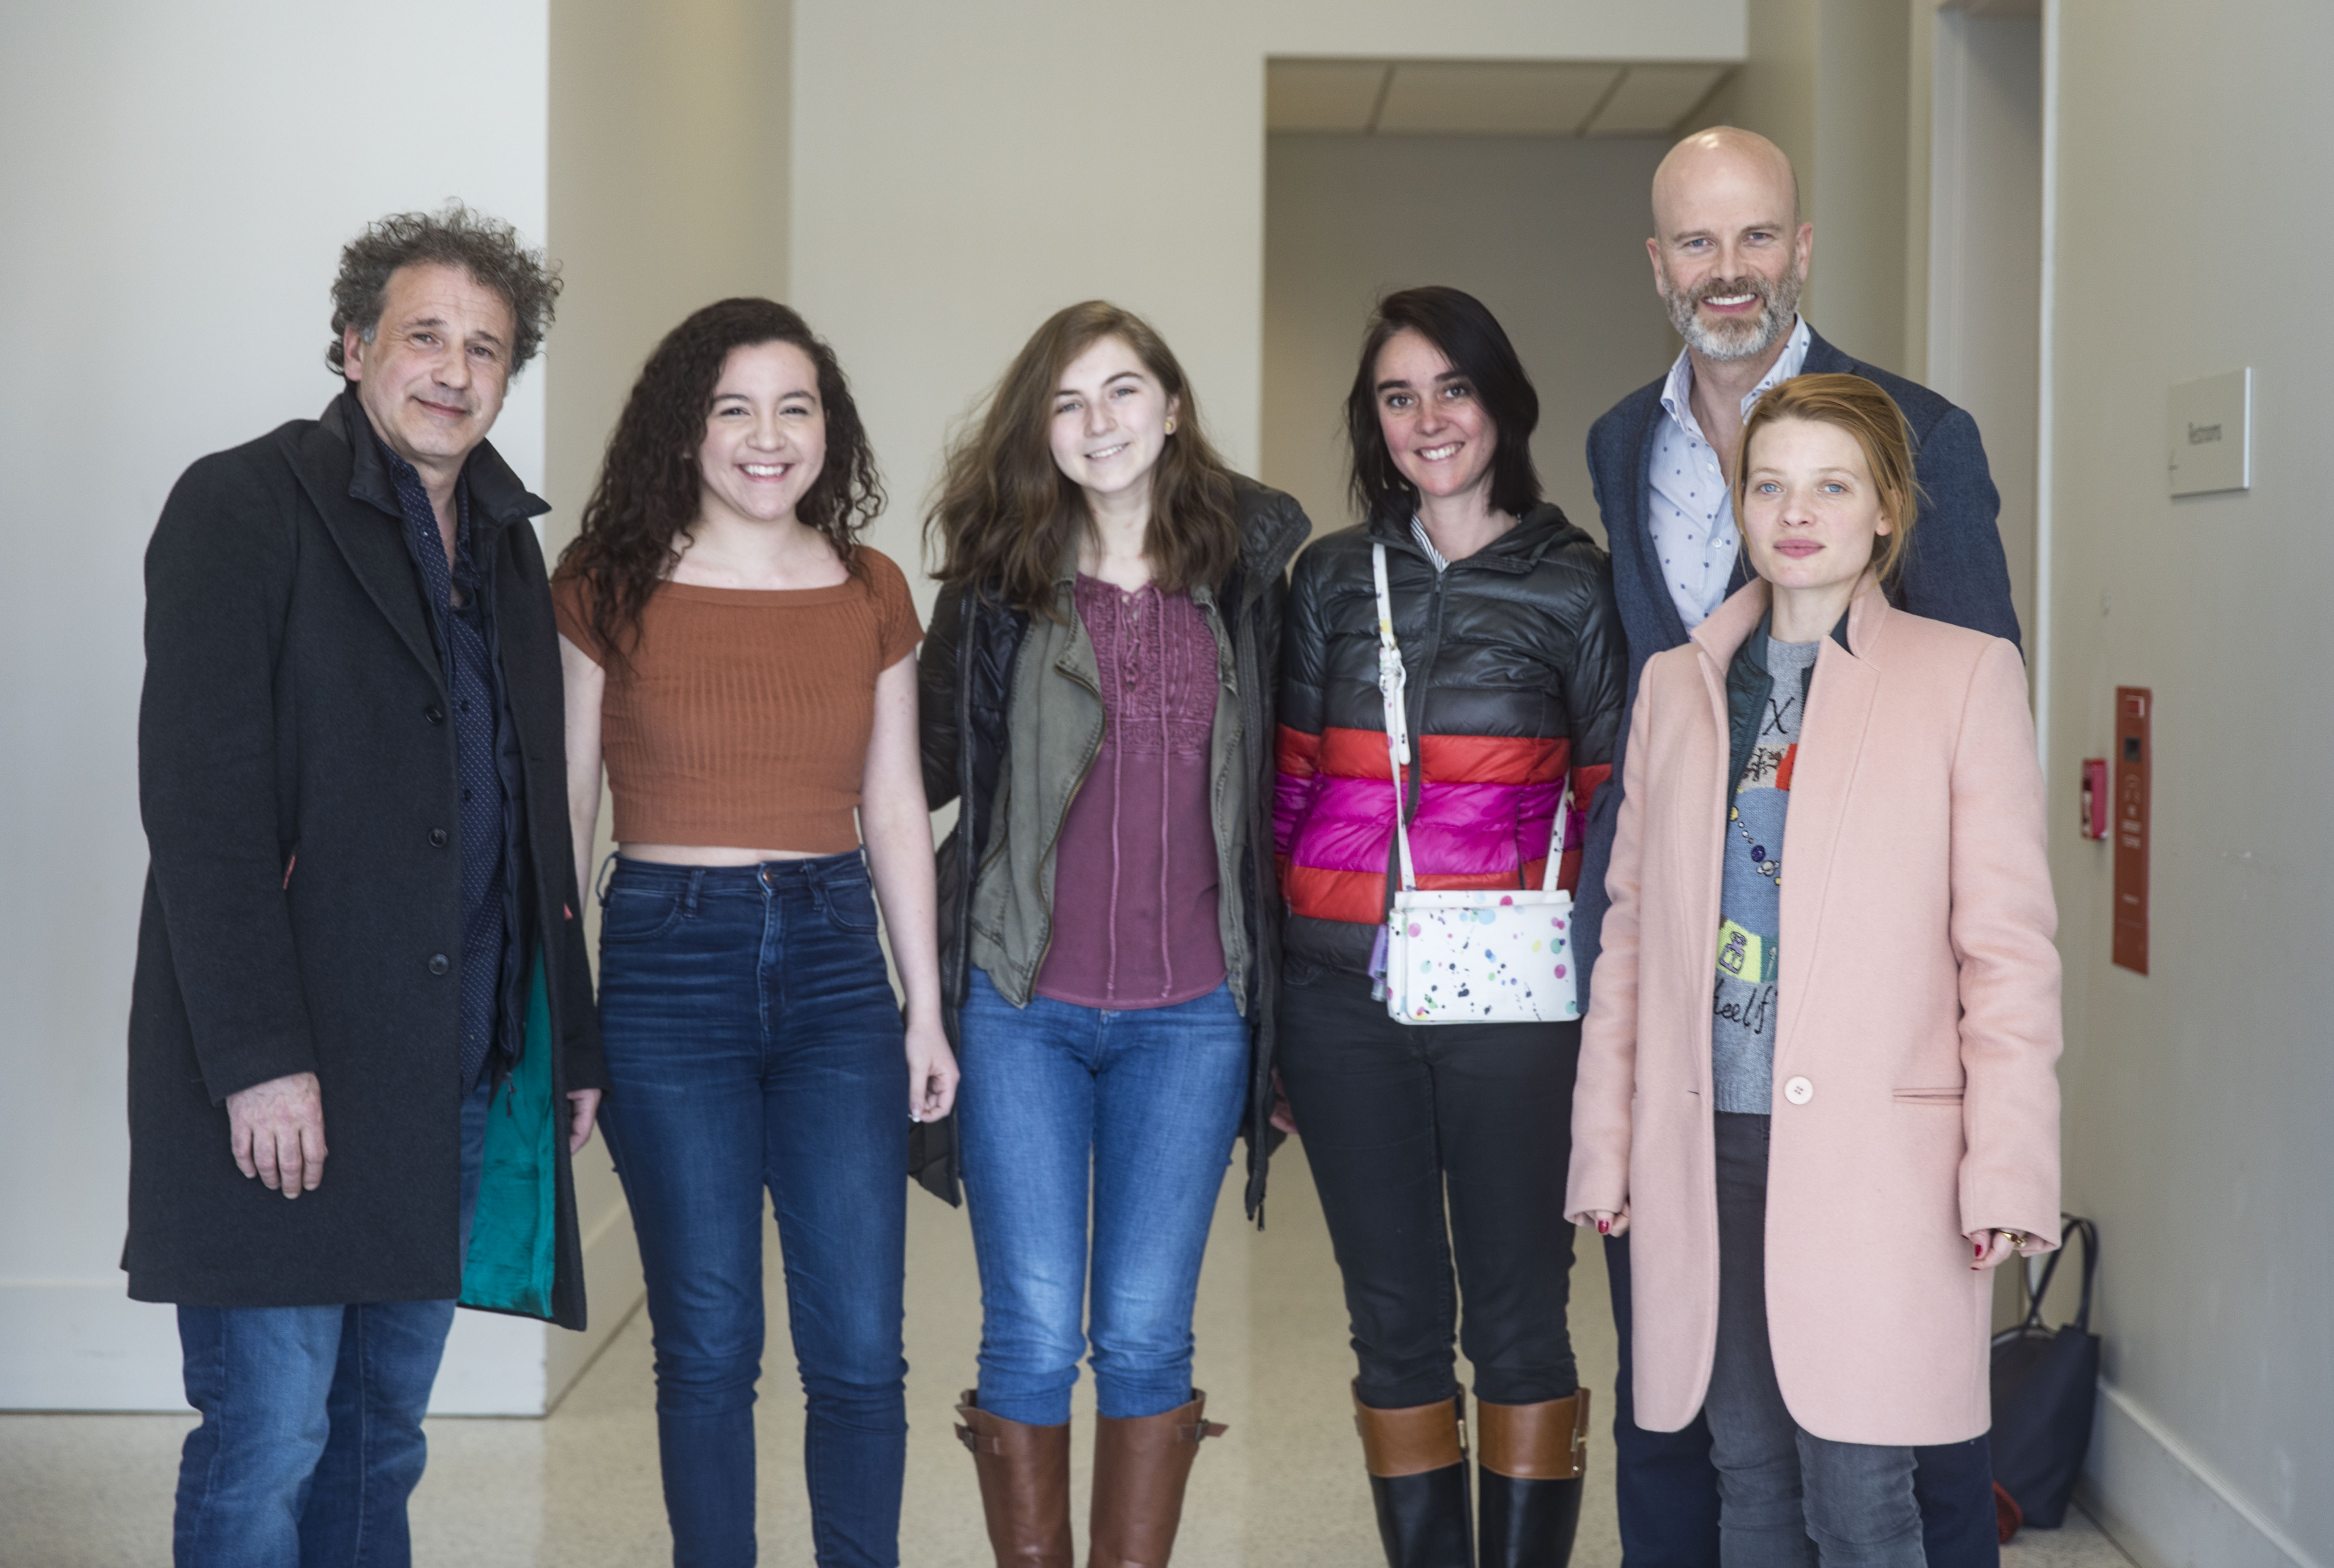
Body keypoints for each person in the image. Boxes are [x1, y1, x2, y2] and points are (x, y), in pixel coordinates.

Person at [1572, 126, 2023, 1567]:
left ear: (1801, 247)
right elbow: (1638, 905)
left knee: (1880, 1477)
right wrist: (1608, 1132)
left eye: (1754, 237)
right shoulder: (1623, 460)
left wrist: (2006, 1155)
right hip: (1709, 1095)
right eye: (1696, 243)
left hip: (1880, 1108)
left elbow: (1993, 901)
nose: (1727, 270)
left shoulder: (1923, 443)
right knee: (1726, 1455)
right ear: (1657, 264)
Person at [127, 204, 604, 1568]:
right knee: (269, 1434)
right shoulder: (242, 503)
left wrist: (560, 1037)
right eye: (424, 337)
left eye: (489, 349)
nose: (455, 371)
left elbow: (529, 817)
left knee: (380, 1437)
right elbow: (201, 811)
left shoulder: (506, 546)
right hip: (290, 1070)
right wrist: (262, 1063)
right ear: (352, 346)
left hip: (444, 1076)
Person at [553, 298, 955, 1568]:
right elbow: (567, 814)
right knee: (711, 1343)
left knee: (856, 1349)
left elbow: (894, 804)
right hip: (667, 967)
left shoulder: (871, 586)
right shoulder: (602, 588)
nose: (767, 438)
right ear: (685, 432)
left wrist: (924, 1006)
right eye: (734, 409)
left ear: (826, 432)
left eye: (796, 409)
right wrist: (566, 1023)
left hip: (839, 963)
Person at [918, 300, 1308, 1567]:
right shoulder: (994, 591)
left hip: (1193, 1016)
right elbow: (917, 765)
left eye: (1124, 391)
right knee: (1030, 1331)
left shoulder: (1248, 580)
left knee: (1145, 1335)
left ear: (1173, 408)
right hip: (1019, 1007)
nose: (1100, 423)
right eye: (1069, 402)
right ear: (1043, 431)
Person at [1274, 286, 1626, 1568]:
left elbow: (1606, 816)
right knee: (1392, 1326)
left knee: (1523, 1325)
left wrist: (1611, 1027)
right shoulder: (1326, 575)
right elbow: (1290, 790)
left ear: (1500, 404)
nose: (1428, 419)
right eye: (1396, 395)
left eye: (1453, 388)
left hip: (1516, 1006)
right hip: (1341, 1004)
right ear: (1374, 423)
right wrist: (1276, 1020)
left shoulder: (1578, 586)